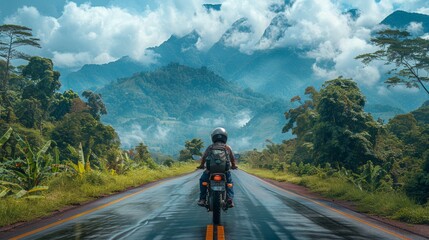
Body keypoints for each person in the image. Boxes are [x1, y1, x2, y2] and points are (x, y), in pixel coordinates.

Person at [197, 127, 238, 208]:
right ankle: (230, 199)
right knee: (229, 183)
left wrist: (202, 165)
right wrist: (233, 165)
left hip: (210, 171)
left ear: (213, 137)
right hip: (224, 171)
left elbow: (204, 157)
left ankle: (202, 199)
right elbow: (232, 158)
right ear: (225, 137)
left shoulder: (210, 147)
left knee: (203, 181)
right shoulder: (227, 147)